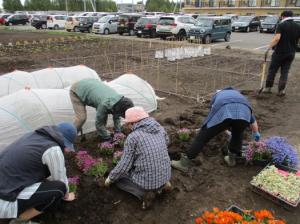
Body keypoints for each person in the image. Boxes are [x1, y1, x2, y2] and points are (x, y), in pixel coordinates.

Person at [0, 122, 77, 224]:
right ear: (63, 140)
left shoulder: (32, 136)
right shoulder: (53, 149)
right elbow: (60, 178)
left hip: (5, 184)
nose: (67, 150)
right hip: (5, 198)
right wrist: (67, 195)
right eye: (67, 146)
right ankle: (19, 220)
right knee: (59, 189)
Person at [171, 87, 260, 172]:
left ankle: (184, 164)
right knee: (238, 134)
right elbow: (252, 119)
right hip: (244, 114)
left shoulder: (218, 95)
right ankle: (231, 160)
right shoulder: (239, 96)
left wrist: (206, 128)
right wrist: (256, 133)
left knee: (202, 138)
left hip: (223, 112)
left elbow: (214, 113)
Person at [104, 107, 172, 209]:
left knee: (119, 179)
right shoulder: (160, 128)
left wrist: (110, 179)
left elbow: (124, 166)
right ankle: (163, 185)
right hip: (166, 175)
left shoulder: (133, 137)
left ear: (133, 123)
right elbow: (167, 143)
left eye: (128, 123)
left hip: (148, 182)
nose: (127, 126)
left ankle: (143, 194)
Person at [70, 78, 134, 141]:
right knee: (81, 118)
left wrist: (118, 133)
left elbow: (116, 117)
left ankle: (103, 133)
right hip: (77, 90)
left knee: (103, 116)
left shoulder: (118, 101)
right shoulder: (104, 104)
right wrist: (107, 138)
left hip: (91, 84)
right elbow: (99, 124)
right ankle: (69, 138)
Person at [263, 10, 300, 97]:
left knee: (272, 70)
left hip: (280, 52)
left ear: (283, 16)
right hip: (291, 53)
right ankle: (281, 90)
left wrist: (268, 48)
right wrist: (295, 46)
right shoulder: (298, 26)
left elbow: (277, 38)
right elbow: (298, 40)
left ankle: (268, 88)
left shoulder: (281, 25)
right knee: (285, 71)